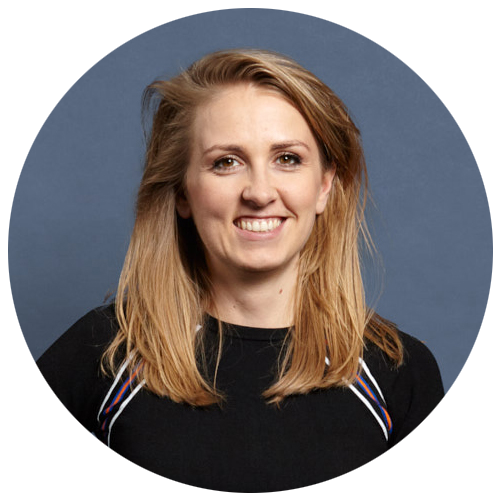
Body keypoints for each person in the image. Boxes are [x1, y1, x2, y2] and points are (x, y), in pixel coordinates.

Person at [36, 49, 444, 493]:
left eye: (287, 159)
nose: (260, 193)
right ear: (182, 192)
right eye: (226, 162)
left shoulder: (397, 373)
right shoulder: (106, 354)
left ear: (324, 186)